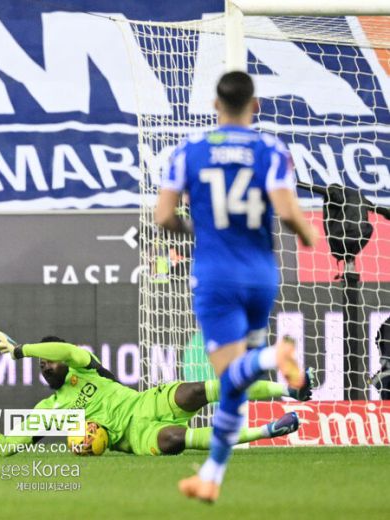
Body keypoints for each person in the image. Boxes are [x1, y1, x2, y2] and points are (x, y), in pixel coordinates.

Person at [154, 71, 319, 501]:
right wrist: (309, 234)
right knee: (235, 382)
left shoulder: (189, 150)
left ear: (215, 105)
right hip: (260, 275)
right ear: (255, 105)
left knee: (231, 373)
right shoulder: (270, 149)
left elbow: (164, 216)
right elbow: (288, 211)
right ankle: (211, 476)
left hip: (216, 276)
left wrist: (196, 229)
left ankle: (274, 356)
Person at [0, 336, 312, 457]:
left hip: (143, 402)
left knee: (196, 390)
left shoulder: (86, 367)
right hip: (135, 437)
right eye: (41, 365)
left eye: (48, 361)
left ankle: (287, 389)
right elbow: (6, 447)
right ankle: (267, 431)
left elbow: (66, 351)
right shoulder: (50, 410)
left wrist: (23, 350)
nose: (45, 367)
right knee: (174, 439)